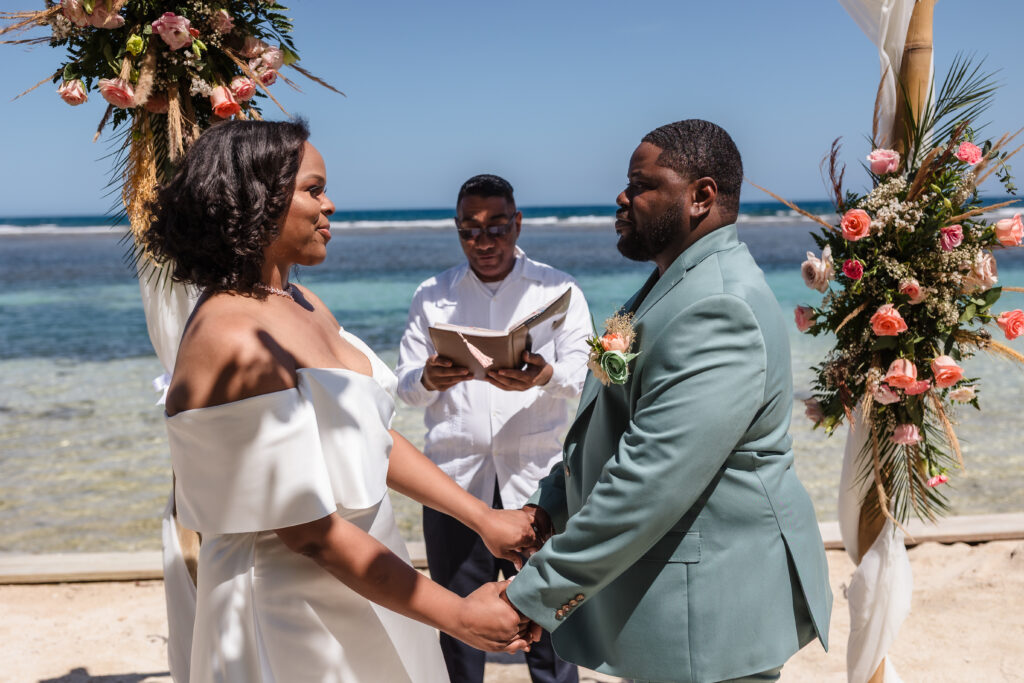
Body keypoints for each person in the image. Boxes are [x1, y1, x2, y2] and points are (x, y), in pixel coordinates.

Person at [142, 120, 540, 683]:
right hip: (291, 611)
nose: (330, 205)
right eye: (313, 189)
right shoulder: (228, 336)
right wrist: (458, 617)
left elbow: (368, 436)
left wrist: (482, 518)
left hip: (374, 571)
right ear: (259, 199)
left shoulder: (300, 300)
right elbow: (307, 532)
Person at [500, 120, 834, 683]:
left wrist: (531, 594)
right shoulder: (675, 283)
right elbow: (613, 426)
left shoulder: (719, 306)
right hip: (680, 609)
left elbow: (651, 477)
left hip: (710, 614)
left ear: (700, 196)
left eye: (641, 183)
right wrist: (547, 507)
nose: (622, 196)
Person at [396, 174, 591, 683]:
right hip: (454, 486)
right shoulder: (432, 294)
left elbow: (586, 378)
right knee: (458, 635)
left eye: (496, 227)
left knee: (550, 629)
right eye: (468, 230)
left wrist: (544, 374)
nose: (482, 241)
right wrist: (427, 376)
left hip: (538, 487)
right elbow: (404, 389)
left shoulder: (559, 289)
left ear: (517, 222)